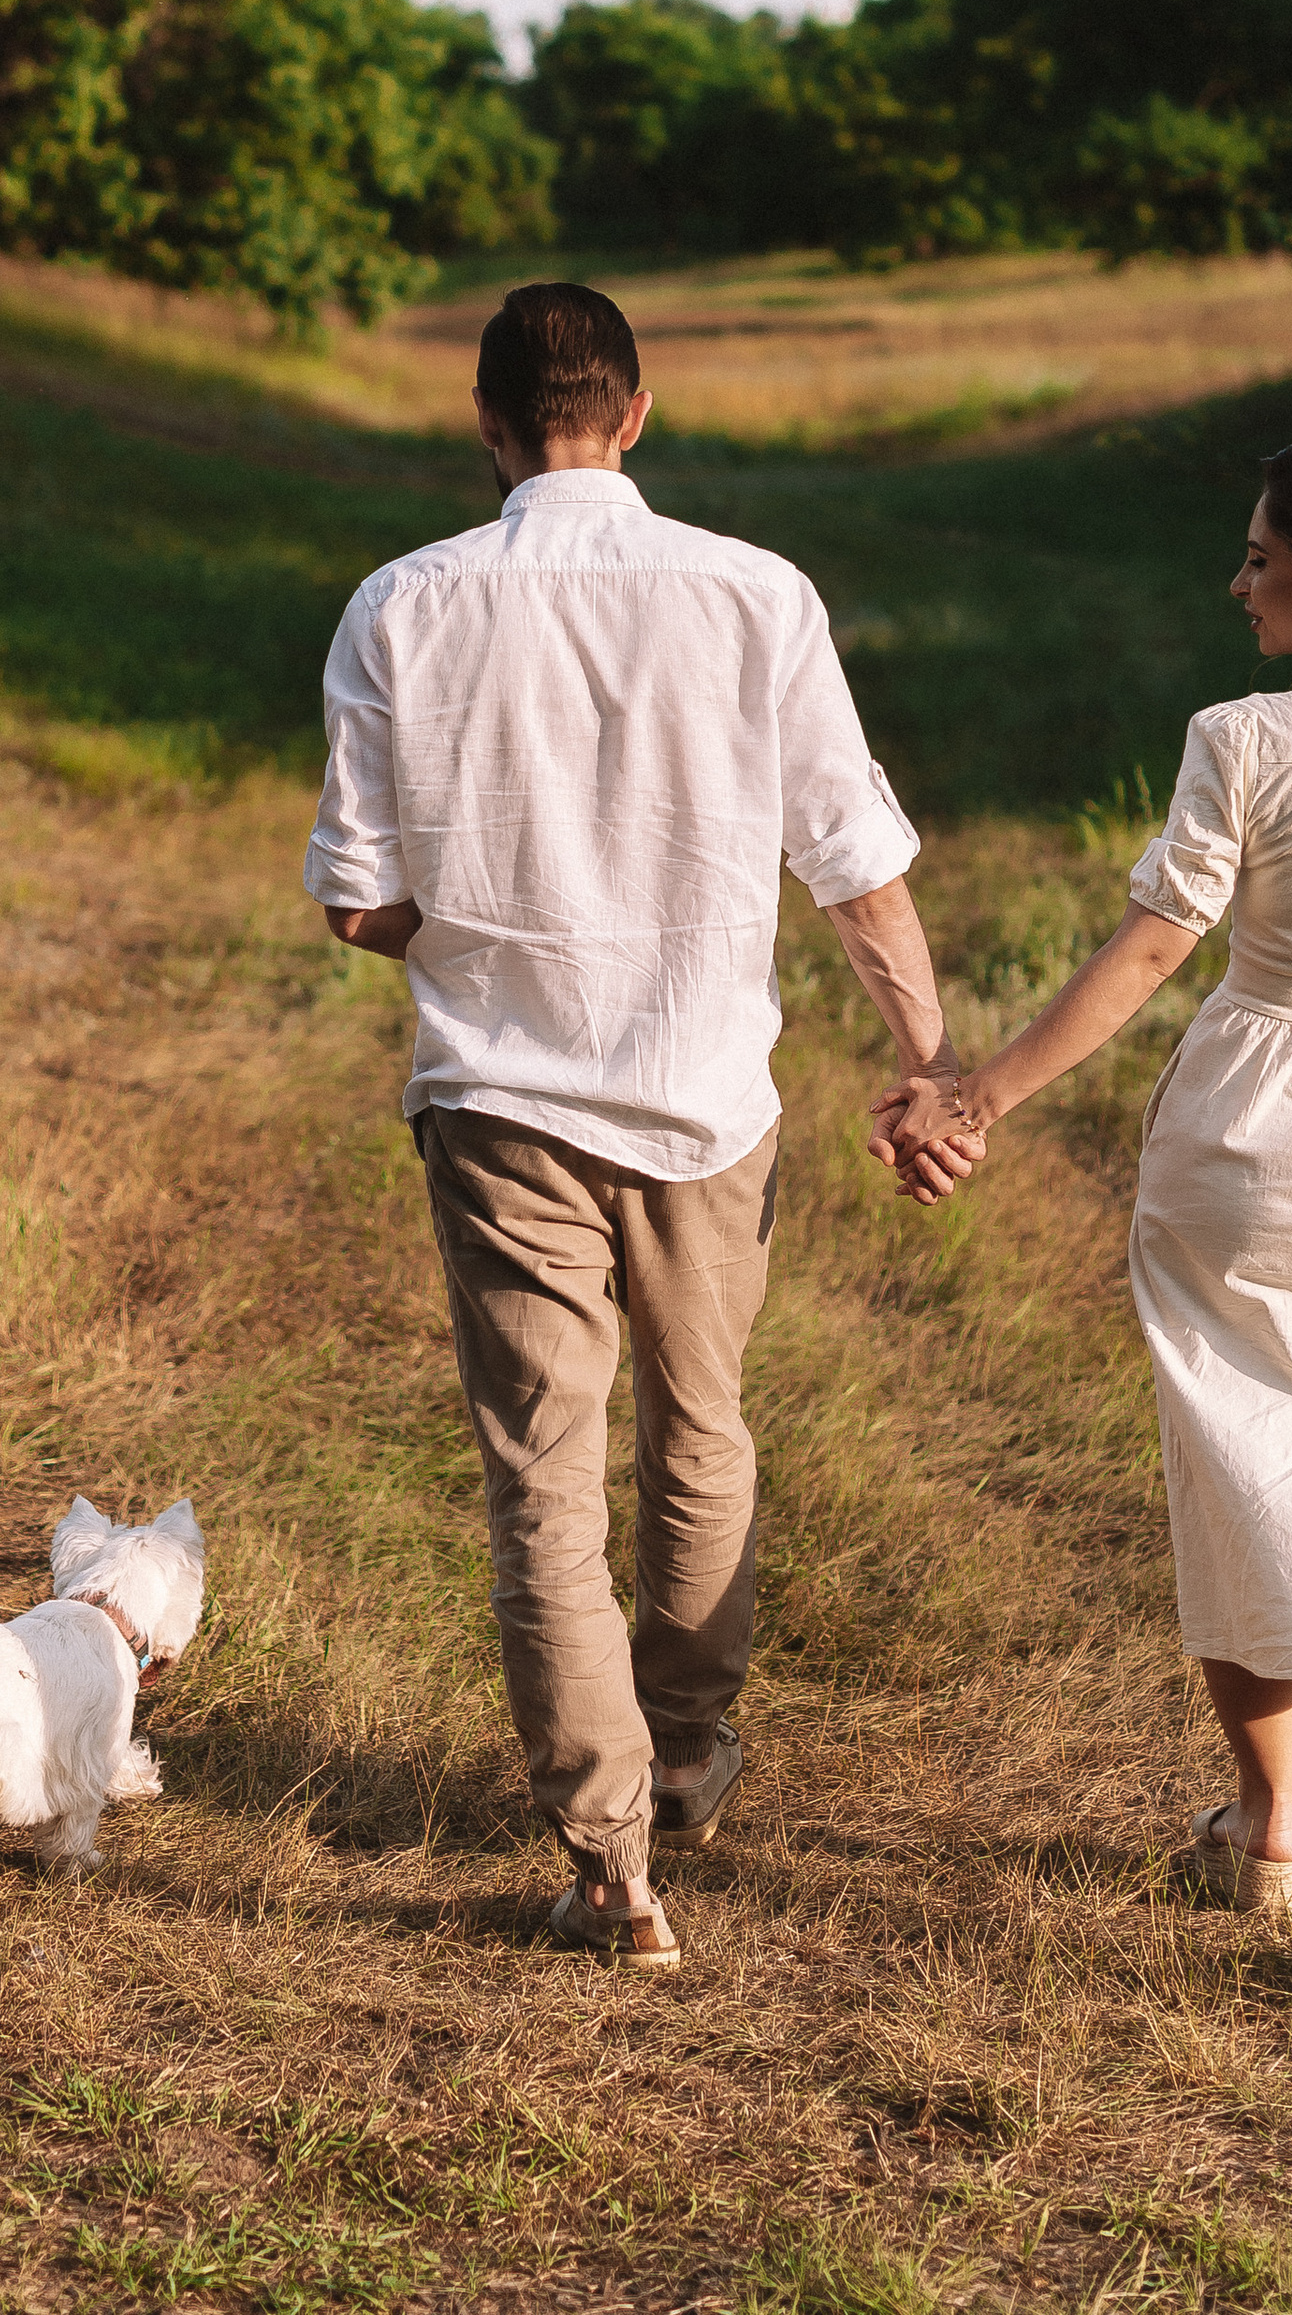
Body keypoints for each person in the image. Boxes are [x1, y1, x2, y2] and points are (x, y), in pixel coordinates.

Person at [306, 279, 961, 1968]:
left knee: (543, 1474)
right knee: (703, 1425)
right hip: (704, 1095)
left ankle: (611, 1863)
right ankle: (684, 1752)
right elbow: (858, 866)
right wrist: (933, 1064)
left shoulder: (401, 606)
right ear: (639, 414)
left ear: (487, 422)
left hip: (503, 1098)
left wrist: (469, 908)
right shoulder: (758, 595)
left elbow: (362, 906)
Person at [875, 430, 1292, 1995]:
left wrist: (974, 1098)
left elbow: (1154, 950)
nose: (1235, 583)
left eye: (1258, 560)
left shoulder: (1242, 737)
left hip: (1253, 1123)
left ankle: (1264, 1823)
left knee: (1241, 1460)